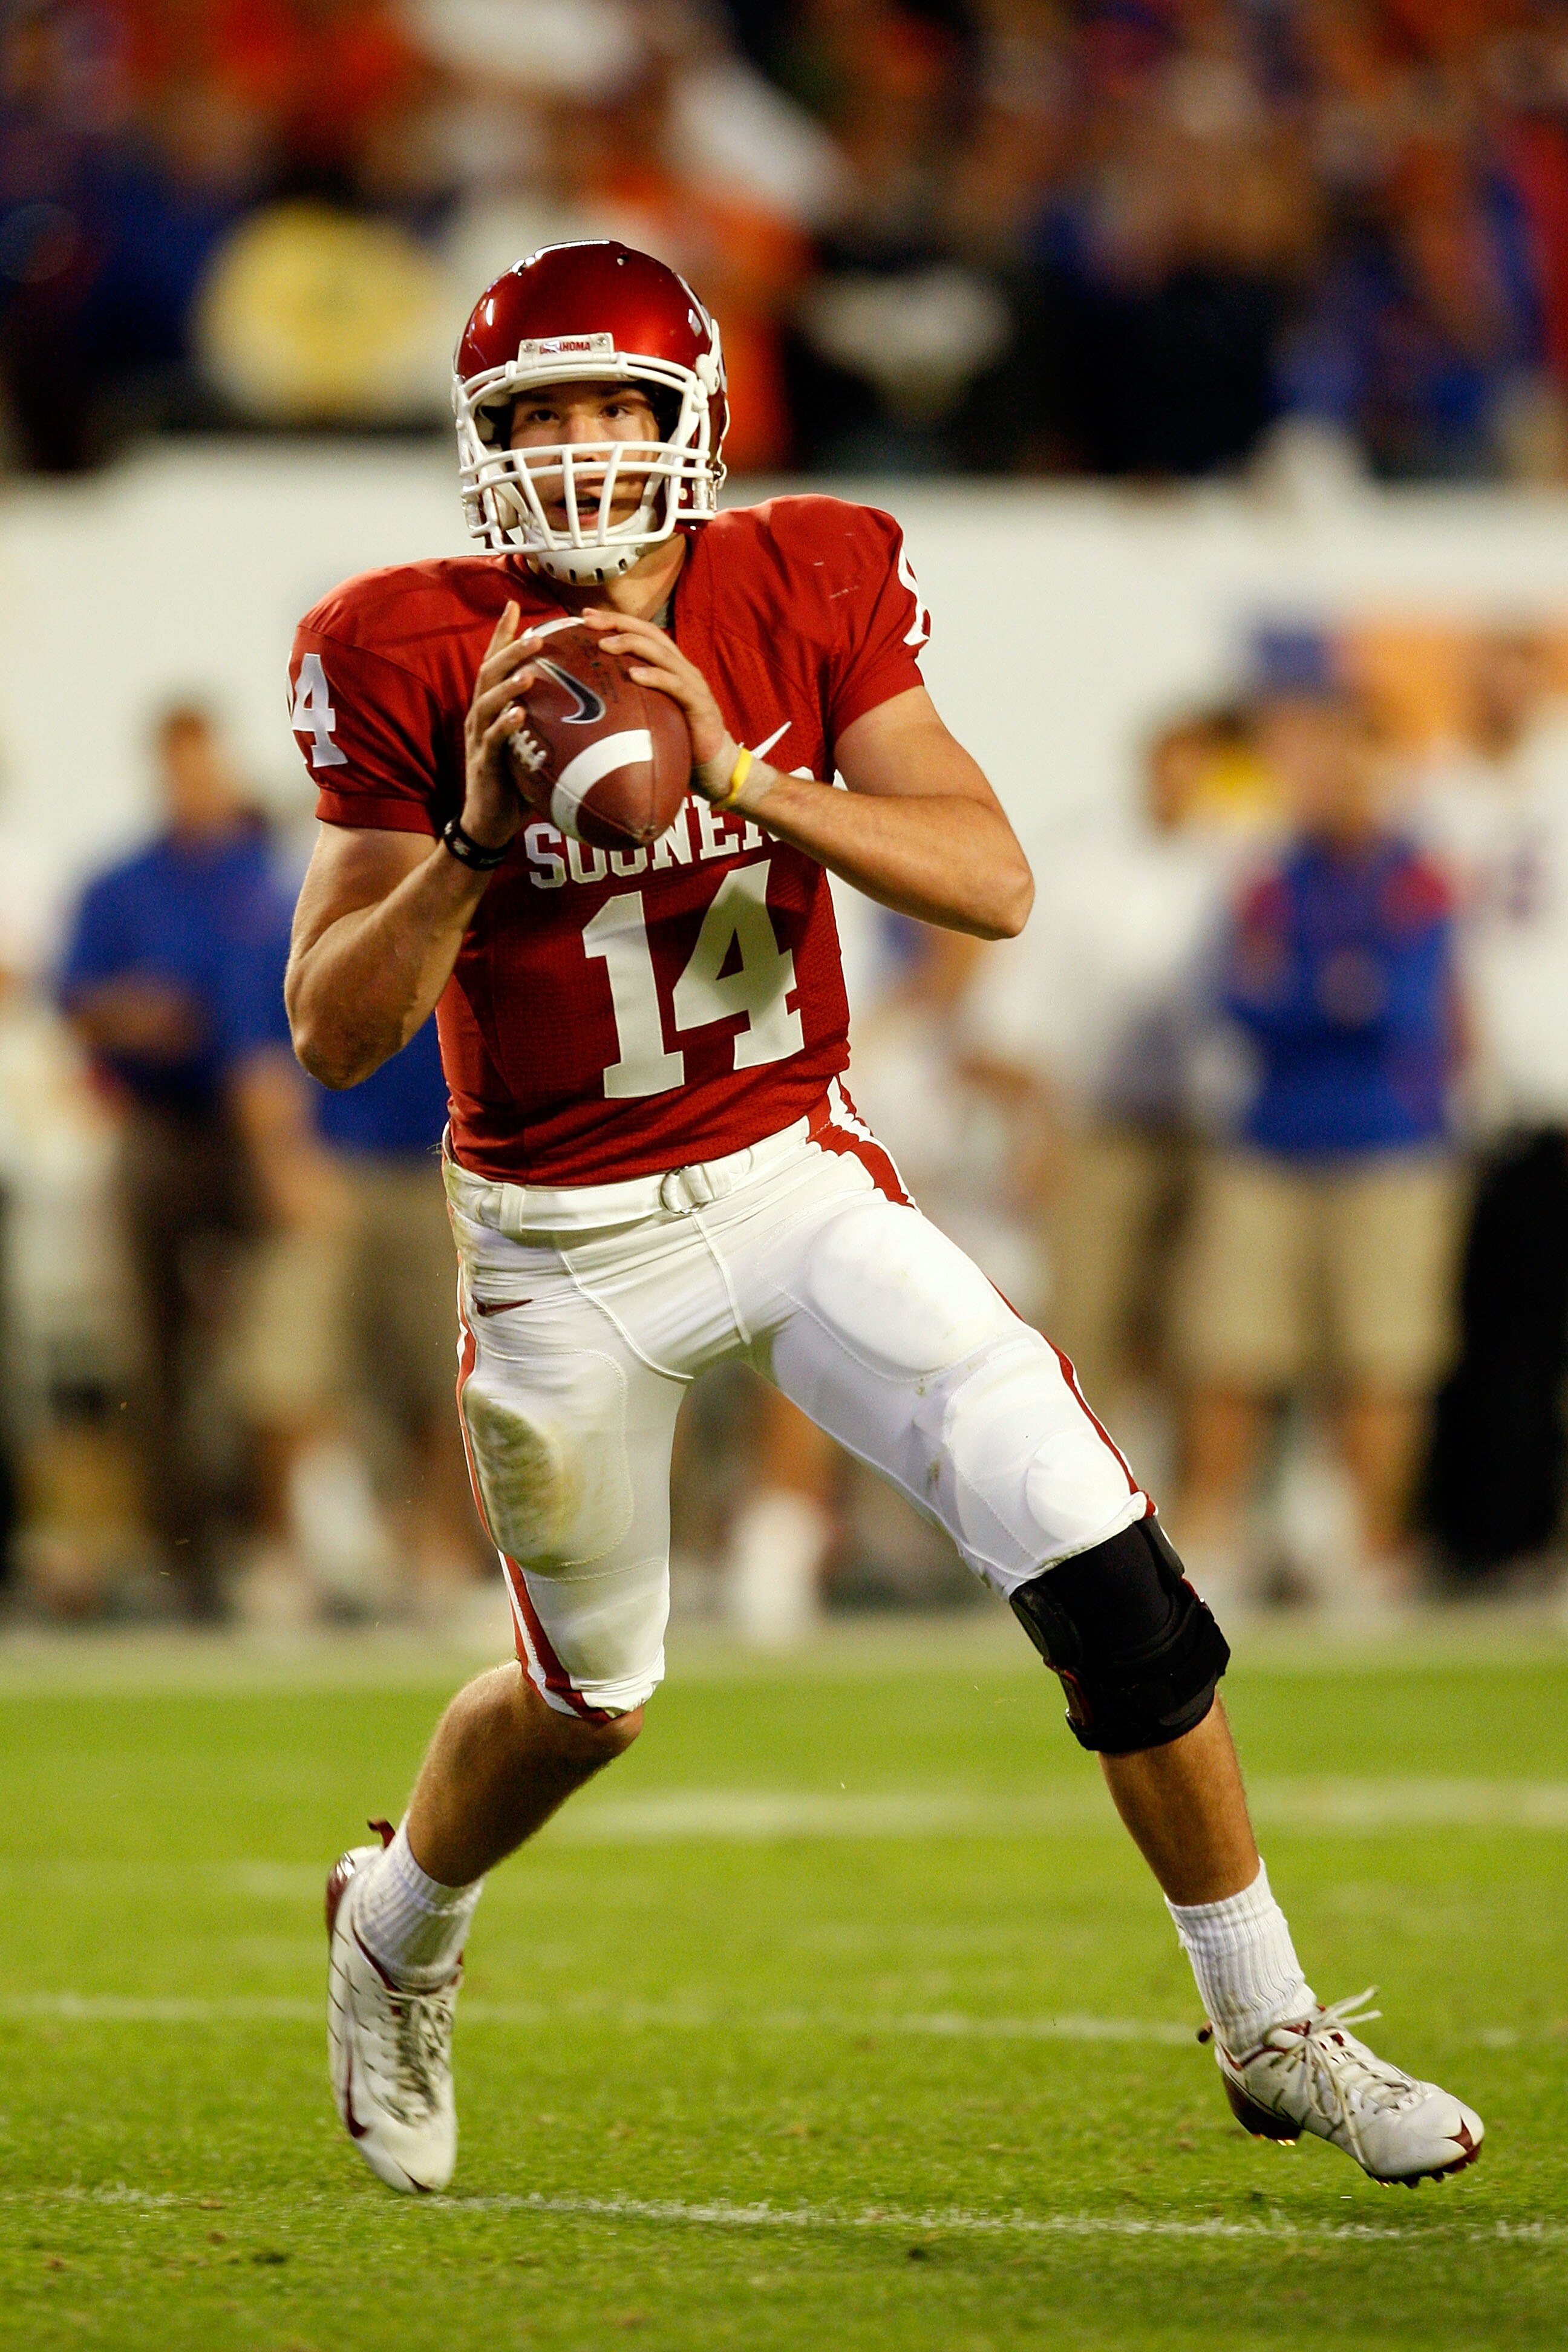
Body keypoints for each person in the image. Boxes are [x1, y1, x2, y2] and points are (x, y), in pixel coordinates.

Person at [283, 240, 1481, 2196]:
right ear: (481, 438)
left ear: (696, 423)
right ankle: (399, 1915)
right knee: (590, 1697)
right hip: (557, 1232)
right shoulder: (407, 644)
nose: (579, 451)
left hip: (790, 1175)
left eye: (613, 407)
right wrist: (478, 848)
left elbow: (989, 880)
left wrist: (750, 771)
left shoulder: (807, 574)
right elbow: (338, 1032)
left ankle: (1269, 2023)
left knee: (1102, 1556)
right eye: (540, 413)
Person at [1173, 689, 1463, 1612]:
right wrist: (1332, 991)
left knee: (1382, 1361)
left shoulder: (1414, 875)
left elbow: (1405, 1009)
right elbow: (1238, 1000)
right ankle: (1215, 1541)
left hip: (1389, 1145)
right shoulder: (1270, 877)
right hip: (1273, 1140)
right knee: (1232, 1352)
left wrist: (1305, 992)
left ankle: (1367, 1547)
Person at [57, 702, 291, 1615]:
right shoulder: (121, 886)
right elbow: (78, 1002)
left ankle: (262, 1541)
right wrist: (140, 1014)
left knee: (268, 1350)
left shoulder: (263, 881)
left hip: (247, 1134)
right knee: (152, 1351)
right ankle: (178, 1557)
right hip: (157, 1127)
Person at [1413, 629, 1568, 1573]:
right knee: (1457, 1330)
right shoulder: (1441, 790)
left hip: (1551, 1088)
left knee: (1535, 1334)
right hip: (1463, 1103)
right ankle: (1471, 1532)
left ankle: (1525, 1531)